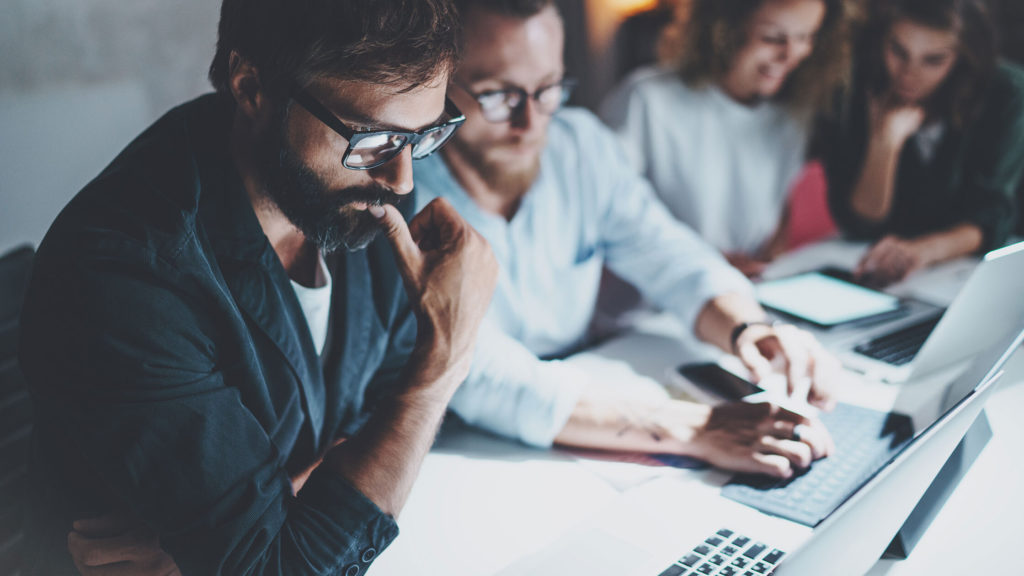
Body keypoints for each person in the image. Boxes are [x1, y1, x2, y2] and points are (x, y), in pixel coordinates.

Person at [18, 1, 498, 574]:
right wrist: (443, 361)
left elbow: (376, 419)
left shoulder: (364, 192)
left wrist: (263, 518)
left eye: (426, 135)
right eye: (373, 140)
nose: (404, 178)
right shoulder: (124, 273)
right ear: (252, 88)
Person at [417, 0, 840, 481]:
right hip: (461, 455)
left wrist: (749, 330)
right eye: (497, 94)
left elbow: (668, 253)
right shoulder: (401, 190)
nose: (531, 123)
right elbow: (481, 374)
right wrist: (694, 429)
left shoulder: (581, 144)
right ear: (439, 82)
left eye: (548, 89)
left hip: (585, 425)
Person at [602, 0, 849, 277]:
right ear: (724, 30)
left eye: (806, 37)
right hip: (652, 308)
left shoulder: (790, 118)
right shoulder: (646, 101)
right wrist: (705, 262)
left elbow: (776, 217)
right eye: (771, 38)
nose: (791, 54)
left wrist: (765, 264)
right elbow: (606, 218)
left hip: (740, 294)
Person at [822, 0, 1024, 285]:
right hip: (873, 261)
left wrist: (921, 251)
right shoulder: (861, 83)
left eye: (933, 60)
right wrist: (885, 144)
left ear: (962, 56)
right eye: (898, 51)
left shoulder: (1006, 94)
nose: (908, 73)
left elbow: (990, 216)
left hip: (961, 270)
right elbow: (860, 222)